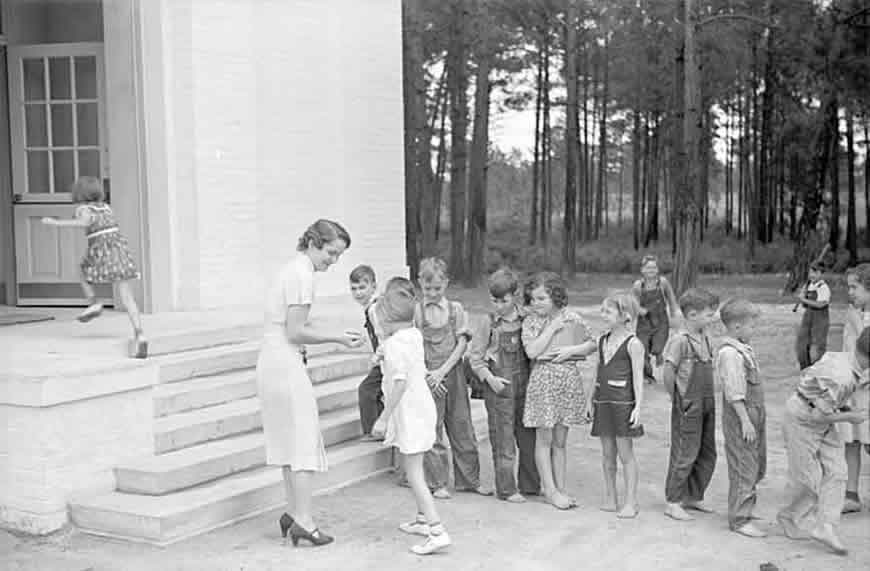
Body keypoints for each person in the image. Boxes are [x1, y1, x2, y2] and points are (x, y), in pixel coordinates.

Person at [257, 219, 364, 547]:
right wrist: (338, 339)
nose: (333, 261)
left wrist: (329, 330)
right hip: (285, 360)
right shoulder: (302, 275)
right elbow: (295, 331)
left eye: (339, 255)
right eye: (331, 252)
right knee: (302, 437)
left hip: (273, 359)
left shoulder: (292, 270)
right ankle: (303, 519)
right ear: (314, 243)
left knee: (290, 439)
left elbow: (293, 323)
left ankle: (293, 512)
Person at [371, 277, 450, 555]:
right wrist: (384, 353)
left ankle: (437, 529)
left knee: (414, 473)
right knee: (415, 463)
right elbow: (407, 359)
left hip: (409, 413)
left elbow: (400, 382)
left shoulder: (395, 344)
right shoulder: (413, 335)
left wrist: (383, 416)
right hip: (423, 409)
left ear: (388, 320)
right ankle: (421, 519)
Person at [778, 328, 870, 556]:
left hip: (820, 415)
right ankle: (789, 516)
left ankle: (825, 526)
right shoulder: (843, 377)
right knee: (810, 480)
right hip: (802, 418)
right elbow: (818, 415)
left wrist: (842, 407)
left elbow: (811, 376)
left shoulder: (844, 357)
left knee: (838, 472)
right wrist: (851, 416)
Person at [41, 176, 147, 358]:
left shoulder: (84, 209)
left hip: (101, 250)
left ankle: (94, 302)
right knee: (127, 296)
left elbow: (85, 222)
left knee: (82, 270)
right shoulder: (106, 207)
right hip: (119, 251)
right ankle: (139, 334)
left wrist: (56, 223)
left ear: (79, 193)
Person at [521, 272, 596, 510]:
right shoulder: (531, 322)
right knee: (544, 438)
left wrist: (572, 350)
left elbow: (594, 342)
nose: (536, 303)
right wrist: (552, 328)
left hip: (567, 380)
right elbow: (532, 351)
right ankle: (550, 490)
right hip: (543, 380)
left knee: (561, 440)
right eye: (532, 299)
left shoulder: (573, 318)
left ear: (555, 296)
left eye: (541, 298)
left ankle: (561, 488)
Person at [414, 257, 487, 499]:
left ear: (446, 283)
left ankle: (469, 480)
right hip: (427, 377)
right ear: (419, 284)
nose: (433, 293)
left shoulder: (456, 310)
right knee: (432, 430)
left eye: (437, 288)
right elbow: (414, 346)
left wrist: (442, 371)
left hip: (452, 373)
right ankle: (438, 482)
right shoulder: (416, 312)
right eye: (427, 288)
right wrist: (428, 374)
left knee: (461, 425)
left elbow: (462, 344)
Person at [468, 268, 541, 503]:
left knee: (528, 439)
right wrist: (490, 379)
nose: (498, 305)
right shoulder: (487, 323)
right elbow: (476, 359)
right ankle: (507, 489)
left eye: (504, 300)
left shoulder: (527, 319)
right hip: (499, 390)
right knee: (504, 441)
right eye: (494, 300)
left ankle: (531, 485)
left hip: (525, 388)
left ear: (515, 295)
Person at [661, 288, 720, 522]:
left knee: (707, 452)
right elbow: (668, 372)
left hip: (707, 402)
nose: (712, 318)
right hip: (688, 403)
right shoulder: (680, 341)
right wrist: (676, 397)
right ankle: (673, 501)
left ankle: (694, 495)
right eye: (708, 314)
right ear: (692, 315)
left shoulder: (705, 336)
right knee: (685, 452)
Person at [590, 293, 645, 519]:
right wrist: (589, 401)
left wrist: (638, 407)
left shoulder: (634, 344)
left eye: (609, 311)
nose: (604, 315)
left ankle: (631, 501)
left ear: (625, 316)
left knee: (626, 454)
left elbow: (638, 378)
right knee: (607, 454)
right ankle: (610, 497)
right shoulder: (601, 340)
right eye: (602, 311)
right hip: (603, 402)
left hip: (623, 404)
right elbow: (596, 372)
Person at [716, 299, 767, 538]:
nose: (754, 330)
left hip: (754, 414)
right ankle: (739, 518)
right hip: (741, 417)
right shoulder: (730, 354)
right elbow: (734, 391)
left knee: (755, 463)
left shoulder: (743, 348)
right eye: (752, 326)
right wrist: (745, 420)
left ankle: (746, 507)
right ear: (737, 327)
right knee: (743, 466)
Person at [840, 263, 870, 514]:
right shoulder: (853, 314)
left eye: (855, 287)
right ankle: (851, 494)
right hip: (853, 386)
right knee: (851, 441)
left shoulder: (857, 317)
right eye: (848, 287)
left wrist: (857, 323)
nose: (850, 292)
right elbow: (848, 348)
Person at [632, 256, 682, 383]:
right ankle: (647, 375)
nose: (651, 270)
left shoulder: (663, 283)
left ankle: (658, 353)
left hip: (661, 322)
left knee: (657, 347)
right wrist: (639, 310)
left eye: (654, 267)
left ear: (658, 269)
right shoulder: (638, 286)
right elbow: (633, 303)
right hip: (644, 323)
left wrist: (675, 314)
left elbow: (671, 300)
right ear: (642, 270)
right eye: (648, 267)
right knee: (642, 349)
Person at [349, 264, 384, 442]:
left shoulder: (374, 309)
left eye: (362, 287)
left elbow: (383, 335)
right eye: (354, 289)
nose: (358, 293)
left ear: (374, 286)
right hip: (385, 358)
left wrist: (377, 356)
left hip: (386, 359)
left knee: (366, 390)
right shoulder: (372, 307)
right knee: (377, 391)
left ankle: (372, 430)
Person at [795, 262, 831, 370]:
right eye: (810, 272)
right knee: (801, 344)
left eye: (814, 272)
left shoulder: (824, 287)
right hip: (807, 318)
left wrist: (804, 299)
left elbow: (821, 304)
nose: (811, 275)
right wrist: (802, 297)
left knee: (817, 348)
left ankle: (819, 372)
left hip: (820, 321)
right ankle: (805, 369)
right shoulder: (809, 286)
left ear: (821, 273)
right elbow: (805, 305)